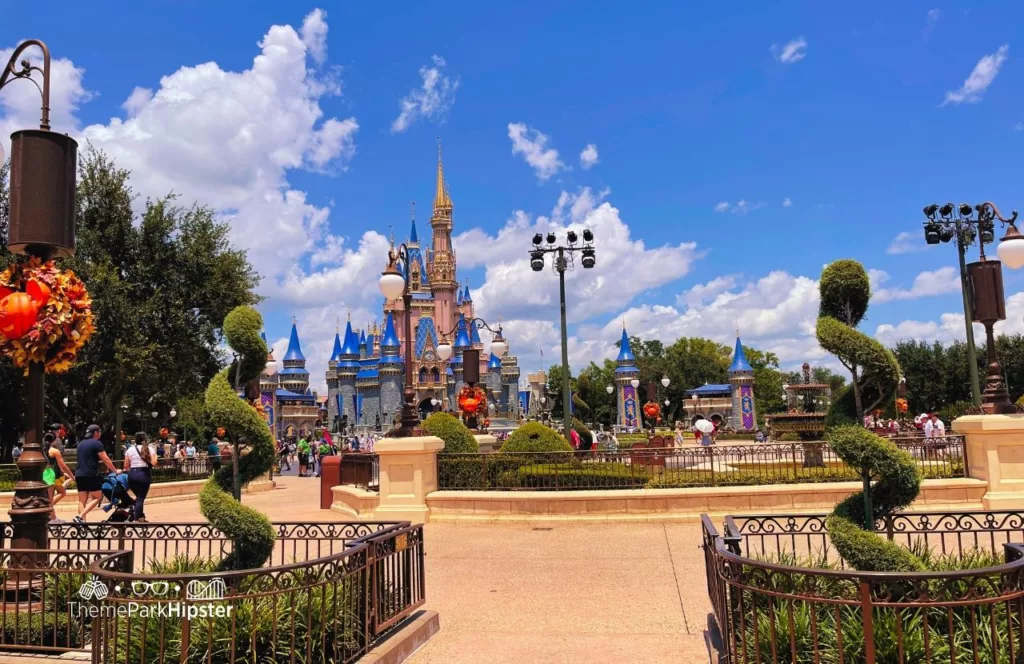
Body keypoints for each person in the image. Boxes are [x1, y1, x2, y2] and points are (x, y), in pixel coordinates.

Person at [75, 424, 118, 523]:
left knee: (82, 500)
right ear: (95, 433)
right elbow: (106, 459)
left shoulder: (80, 444)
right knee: (98, 497)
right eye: (99, 431)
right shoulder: (97, 443)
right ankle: (80, 517)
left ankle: (82, 525)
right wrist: (115, 471)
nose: (100, 433)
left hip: (79, 474)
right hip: (90, 474)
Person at [124, 432, 156, 522]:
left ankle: (141, 516)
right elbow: (154, 462)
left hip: (132, 475)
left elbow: (126, 465)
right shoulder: (149, 449)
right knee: (140, 498)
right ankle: (137, 519)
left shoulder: (129, 449)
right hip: (143, 474)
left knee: (139, 498)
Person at [43, 432, 73, 522]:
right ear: (54, 440)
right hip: (49, 473)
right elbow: (63, 466)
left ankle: (52, 517)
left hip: (41, 473)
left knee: (47, 498)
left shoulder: (41, 450)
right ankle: (52, 519)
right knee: (50, 498)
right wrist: (72, 475)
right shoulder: (55, 451)